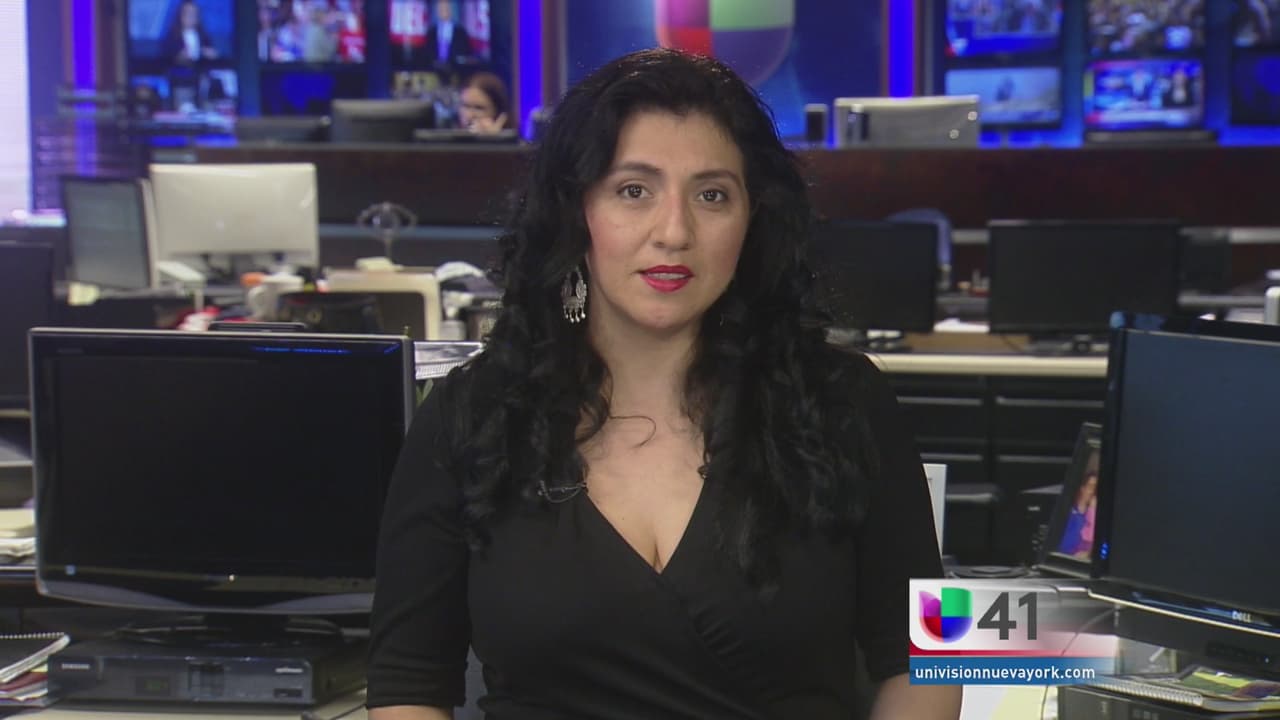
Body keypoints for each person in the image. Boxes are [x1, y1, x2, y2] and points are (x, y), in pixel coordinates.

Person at [367, 48, 961, 720]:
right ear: (575, 212)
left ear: (753, 219)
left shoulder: (847, 400)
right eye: (634, 190)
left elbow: (934, 657)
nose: (674, 231)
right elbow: (406, 684)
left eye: (712, 195)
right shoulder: (468, 415)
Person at [1057, 452, 1099, 558]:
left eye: (1096, 488)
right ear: (1082, 488)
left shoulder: (1093, 515)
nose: (1093, 491)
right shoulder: (1069, 513)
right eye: (1091, 487)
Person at [162, 0, 218, 66]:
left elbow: (213, 53)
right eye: (188, 14)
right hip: (179, 69)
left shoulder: (203, 36)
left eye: (194, 14)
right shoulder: (172, 37)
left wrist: (211, 54)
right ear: (180, 16)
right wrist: (179, 57)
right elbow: (166, 58)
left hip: (201, 69)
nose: (191, 17)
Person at [423, 0, 472, 70]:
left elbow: (466, 54)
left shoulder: (460, 32)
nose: (443, 11)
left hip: (456, 71)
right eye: (440, 8)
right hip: (433, 71)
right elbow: (426, 55)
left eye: (446, 8)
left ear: (451, 10)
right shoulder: (431, 32)